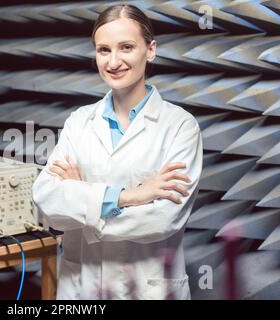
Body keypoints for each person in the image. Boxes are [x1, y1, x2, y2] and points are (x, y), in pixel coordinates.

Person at [32, 4, 203, 300]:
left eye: (126, 47)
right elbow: (47, 202)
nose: (113, 62)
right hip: (82, 290)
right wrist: (130, 196)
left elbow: (163, 219)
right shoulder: (79, 122)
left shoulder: (180, 127)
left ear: (150, 50)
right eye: (103, 50)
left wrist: (81, 198)